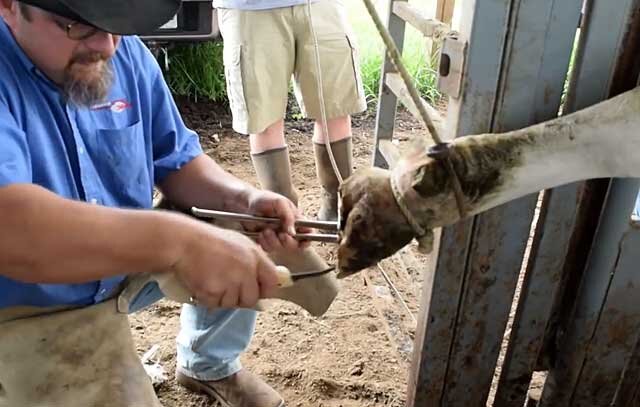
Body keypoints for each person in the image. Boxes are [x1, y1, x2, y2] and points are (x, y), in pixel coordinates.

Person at [0, 1, 307, 405]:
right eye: (77, 26)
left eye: (115, 26)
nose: (107, 47)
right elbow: (12, 230)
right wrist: (181, 242)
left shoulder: (119, 48)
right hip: (26, 306)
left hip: (119, 270)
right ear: (10, 6)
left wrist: (242, 199)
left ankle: (208, 363)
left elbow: (175, 157)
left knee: (235, 222)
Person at [213, 0, 368, 221]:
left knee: (335, 109)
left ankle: (337, 211)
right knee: (263, 120)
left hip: (321, 6)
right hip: (250, 10)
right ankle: (283, 215)